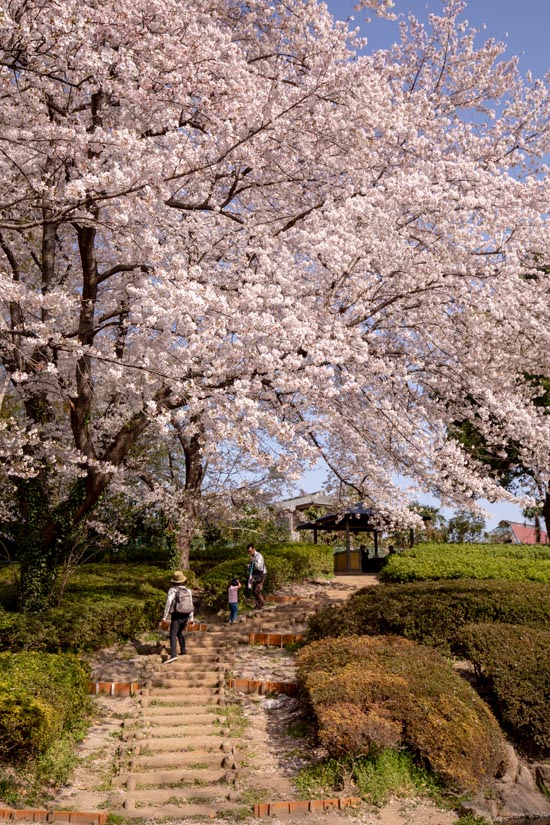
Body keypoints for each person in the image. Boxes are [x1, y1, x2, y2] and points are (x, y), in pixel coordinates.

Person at [161, 570, 194, 663]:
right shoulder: (188, 590)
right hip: (186, 614)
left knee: (172, 634)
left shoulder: (172, 590)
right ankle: (183, 650)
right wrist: (191, 618)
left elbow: (169, 603)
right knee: (179, 632)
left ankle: (173, 655)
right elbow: (191, 604)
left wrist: (164, 617)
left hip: (177, 615)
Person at [247, 543, 267, 609]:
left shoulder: (258, 556)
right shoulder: (252, 556)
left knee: (257, 589)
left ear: (254, 549)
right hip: (255, 573)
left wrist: (253, 561)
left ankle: (262, 603)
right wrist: (249, 566)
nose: (249, 552)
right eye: (248, 551)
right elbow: (252, 565)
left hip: (261, 573)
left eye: (250, 551)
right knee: (254, 589)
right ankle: (258, 605)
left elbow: (259, 566)